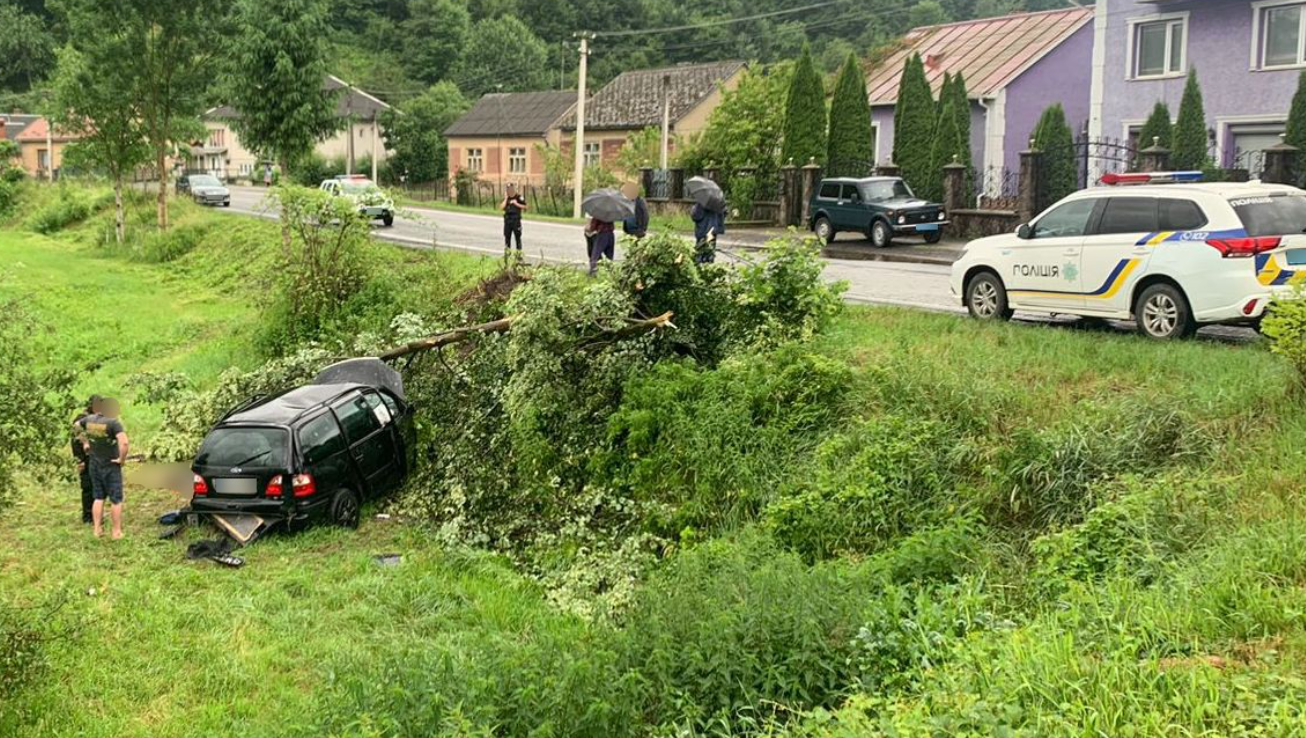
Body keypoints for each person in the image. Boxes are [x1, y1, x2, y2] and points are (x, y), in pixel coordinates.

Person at [74, 397, 129, 539]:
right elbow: (124, 443)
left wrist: (85, 442)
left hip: (94, 463)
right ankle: (116, 532)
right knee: (116, 499)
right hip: (111, 464)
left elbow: (76, 426)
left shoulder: (90, 420)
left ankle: (97, 529)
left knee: (98, 497)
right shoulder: (114, 423)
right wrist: (121, 460)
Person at [71, 395, 102, 524]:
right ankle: (88, 516)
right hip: (86, 458)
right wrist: (79, 460)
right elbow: (75, 440)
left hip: (98, 458)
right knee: (88, 487)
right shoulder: (81, 419)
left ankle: (96, 515)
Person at [501, 184, 527, 253]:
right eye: (508, 189)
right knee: (507, 237)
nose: (510, 191)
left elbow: (525, 206)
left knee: (517, 238)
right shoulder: (506, 198)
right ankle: (507, 253)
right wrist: (506, 198)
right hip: (507, 220)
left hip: (516, 220)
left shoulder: (519, 197)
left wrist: (516, 204)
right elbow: (501, 207)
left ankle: (518, 254)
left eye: (511, 189)